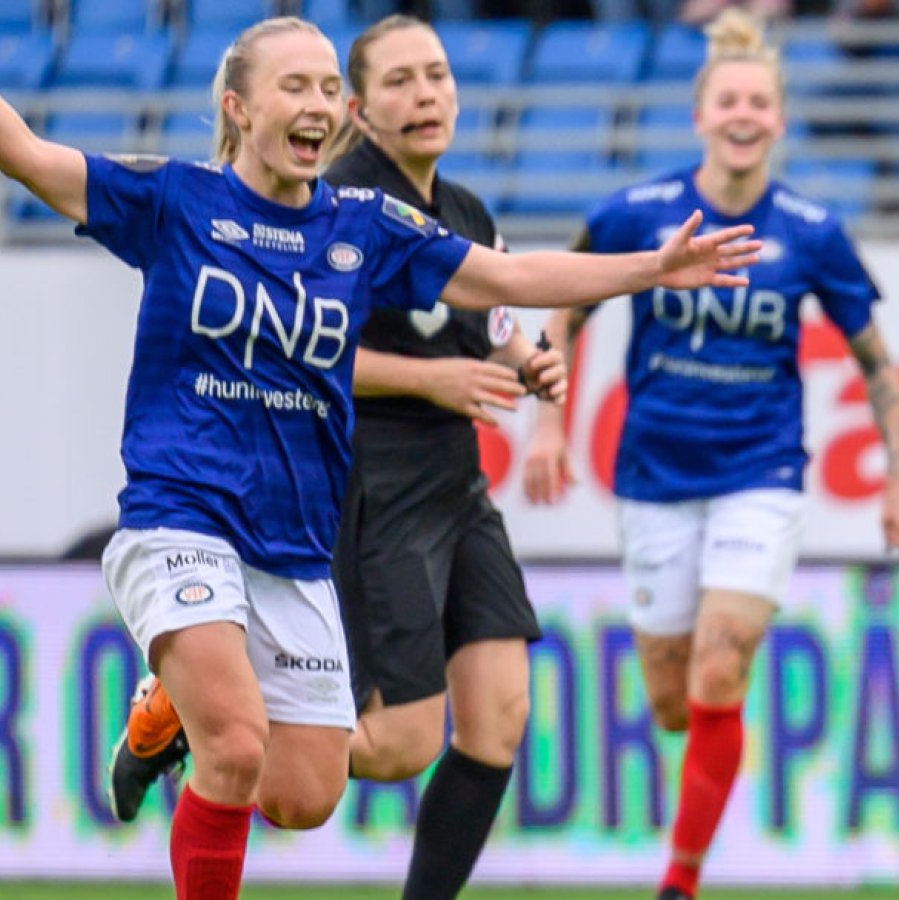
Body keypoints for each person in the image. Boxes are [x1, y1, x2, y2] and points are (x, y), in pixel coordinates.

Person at [0, 4, 758, 899]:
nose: (319, 105)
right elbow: (31, 158)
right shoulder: (178, 203)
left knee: (303, 793)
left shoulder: (362, 226)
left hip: (294, 548)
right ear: (238, 107)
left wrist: (648, 269)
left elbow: (509, 278)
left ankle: (158, 714)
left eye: (329, 88)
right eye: (296, 86)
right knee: (237, 746)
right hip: (182, 515)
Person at [110, 14, 563, 900]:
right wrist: (433, 382)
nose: (426, 94)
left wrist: (526, 362)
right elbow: (300, 349)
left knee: (502, 715)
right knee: (393, 745)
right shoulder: (330, 191)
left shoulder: (462, 208)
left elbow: (499, 307)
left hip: (459, 483)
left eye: (437, 74)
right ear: (358, 108)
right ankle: (189, 714)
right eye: (399, 81)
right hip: (374, 483)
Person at [522, 10, 899, 900]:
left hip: (762, 473)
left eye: (760, 103)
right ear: (700, 115)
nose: (743, 115)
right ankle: (707, 759)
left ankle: (681, 880)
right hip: (655, 479)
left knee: (719, 662)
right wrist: (549, 423)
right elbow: (568, 309)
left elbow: (877, 365)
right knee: (674, 700)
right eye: (728, 100)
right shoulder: (639, 214)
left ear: (779, 119)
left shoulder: (814, 232)